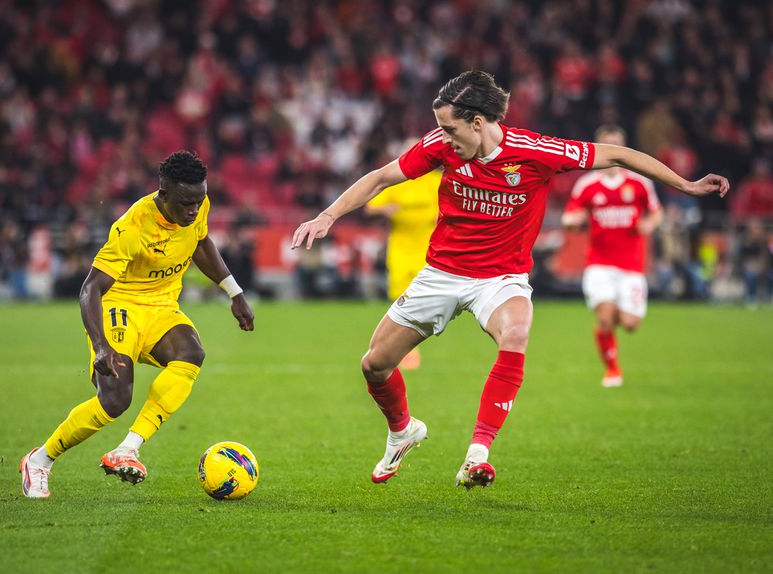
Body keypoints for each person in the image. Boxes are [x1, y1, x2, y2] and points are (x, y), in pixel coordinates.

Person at [291, 70, 729, 489]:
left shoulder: (536, 151)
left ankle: (477, 455)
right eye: (439, 129)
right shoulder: (440, 147)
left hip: (501, 278)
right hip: (441, 273)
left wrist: (686, 187)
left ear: (478, 123)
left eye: (449, 129)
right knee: (374, 365)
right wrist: (328, 215)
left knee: (516, 332)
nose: (443, 138)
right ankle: (403, 431)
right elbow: (382, 178)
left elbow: (617, 155)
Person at [20, 151, 255, 498]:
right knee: (115, 400)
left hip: (161, 306)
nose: (194, 209)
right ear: (163, 194)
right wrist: (100, 344)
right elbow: (90, 289)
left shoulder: (197, 208)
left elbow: (201, 243)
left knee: (191, 352)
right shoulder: (133, 226)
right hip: (121, 305)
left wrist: (233, 292)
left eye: (199, 200)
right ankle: (40, 460)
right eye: (185, 203)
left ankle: (128, 449)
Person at [561, 125, 662, 387]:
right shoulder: (587, 184)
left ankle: (610, 320)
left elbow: (655, 212)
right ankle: (613, 369)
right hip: (599, 263)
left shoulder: (639, 182)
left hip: (631, 265)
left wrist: (649, 225)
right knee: (604, 317)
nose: (614, 149)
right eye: (608, 144)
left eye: (618, 143)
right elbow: (571, 215)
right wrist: (573, 220)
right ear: (599, 147)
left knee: (630, 324)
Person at [364, 160, 440, 370]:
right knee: (399, 299)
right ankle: (408, 350)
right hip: (400, 249)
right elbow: (370, 207)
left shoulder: (436, 181)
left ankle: (411, 343)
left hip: (428, 249)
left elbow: (454, 203)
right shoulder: (398, 183)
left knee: (425, 300)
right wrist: (385, 210)